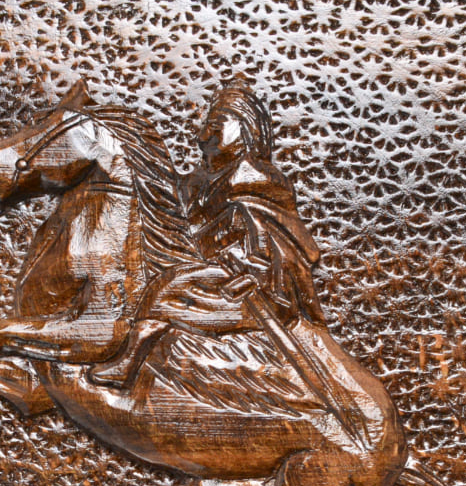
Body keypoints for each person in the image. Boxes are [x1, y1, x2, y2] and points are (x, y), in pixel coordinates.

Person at [89, 77, 324, 387]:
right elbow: (171, 207)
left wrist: (251, 266)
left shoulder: (254, 178)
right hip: (212, 272)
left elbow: (274, 242)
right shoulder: (200, 180)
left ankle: (129, 363)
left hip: (255, 288)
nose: (203, 137)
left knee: (169, 285)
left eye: (217, 125)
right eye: (205, 126)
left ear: (244, 130)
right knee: (159, 280)